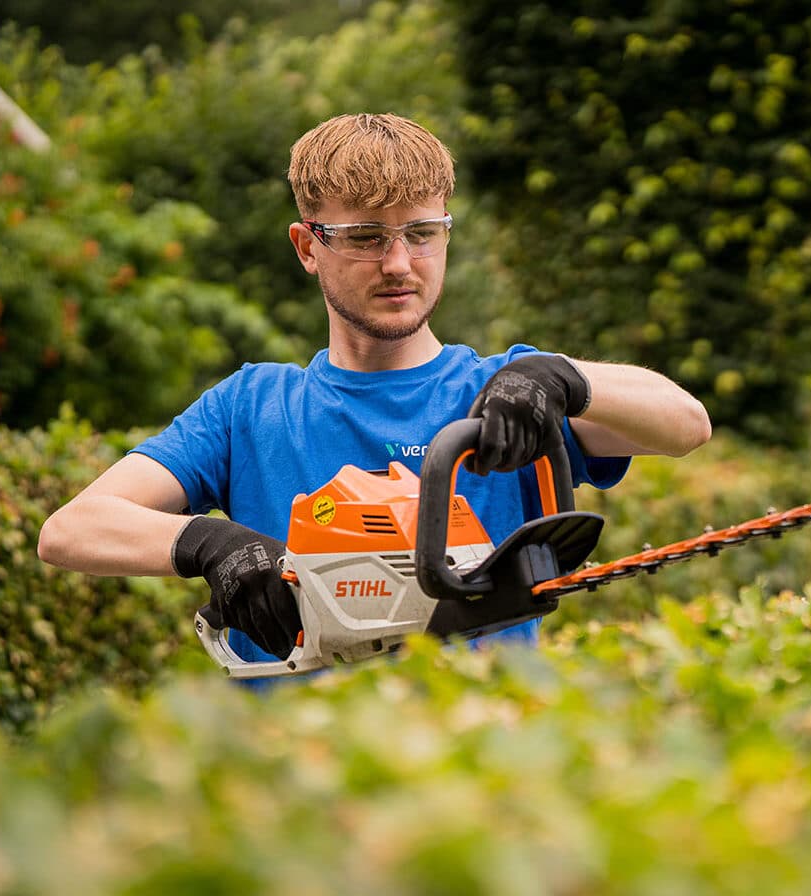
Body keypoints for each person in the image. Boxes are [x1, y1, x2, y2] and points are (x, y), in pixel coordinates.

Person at [38, 112, 711, 666]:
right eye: (365, 237)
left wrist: (562, 379)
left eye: (421, 234)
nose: (398, 264)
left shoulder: (504, 390)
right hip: (290, 777)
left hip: (494, 770)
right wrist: (211, 546)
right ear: (307, 248)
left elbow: (686, 425)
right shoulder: (251, 407)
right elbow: (71, 530)